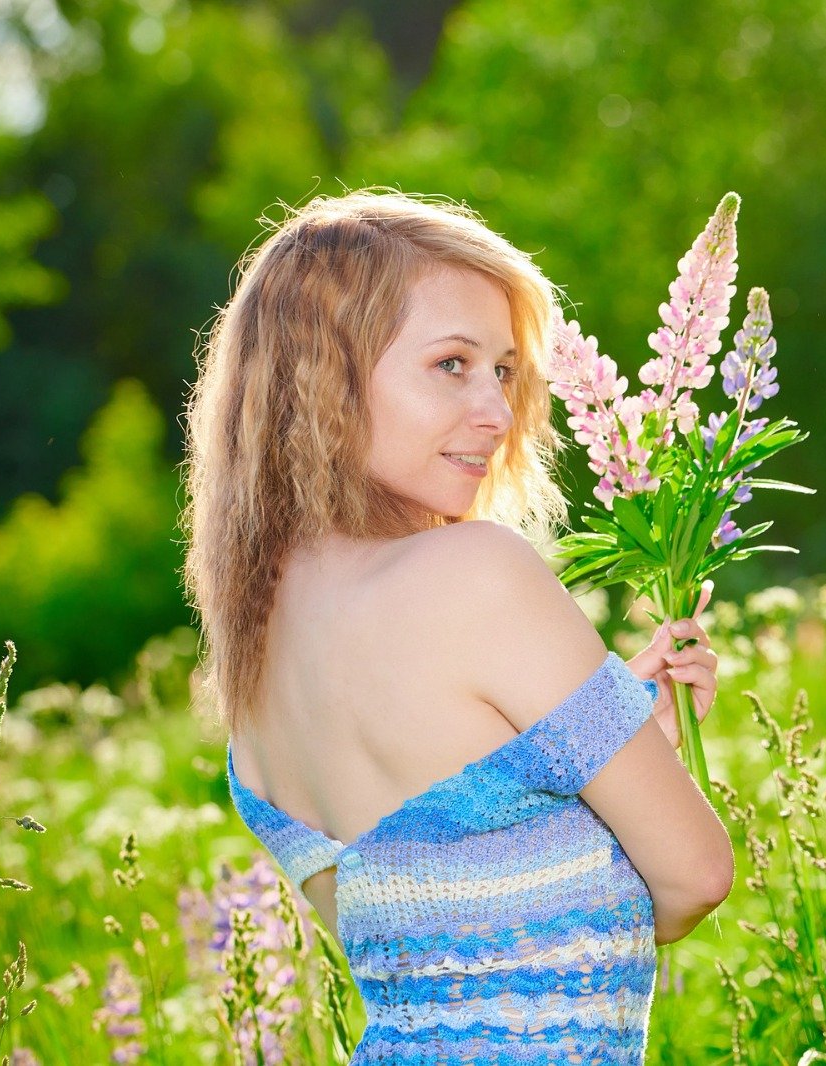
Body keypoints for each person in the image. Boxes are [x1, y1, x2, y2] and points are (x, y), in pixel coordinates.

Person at [178, 187, 734, 1063]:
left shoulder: (253, 677)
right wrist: (643, 775)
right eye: (452, 364)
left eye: (506, 370)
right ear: (321, 381)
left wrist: (618, 741)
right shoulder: (478, 572)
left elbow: (435, 961)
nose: (498, 412)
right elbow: (692, 880)